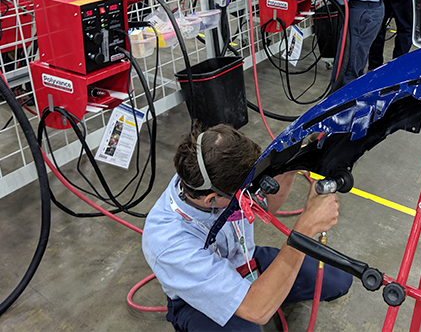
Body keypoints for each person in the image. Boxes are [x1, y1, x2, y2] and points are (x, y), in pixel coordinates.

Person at [142, 124, 353, 331]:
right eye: (245, 193)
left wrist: (292, 164)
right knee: (255, 312)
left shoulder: (202, 169)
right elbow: (257, 311)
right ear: (212, 200)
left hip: (244, 260)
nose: (251, 196)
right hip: (195, 298)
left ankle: (268, 292)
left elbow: (266, 206)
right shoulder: (169, 243)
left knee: (339, 280)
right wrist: (305, 228)